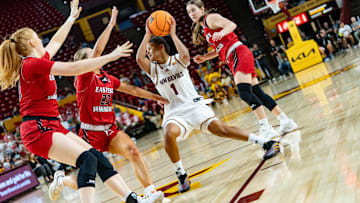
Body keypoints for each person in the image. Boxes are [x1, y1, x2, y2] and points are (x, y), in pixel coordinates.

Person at [0, 1, 161, 203]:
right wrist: (109, 57)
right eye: (38, 39)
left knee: (98, 159)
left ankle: (133, 200)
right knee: (88, 160)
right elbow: (73, 69)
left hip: (51, 125)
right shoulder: (31, 65)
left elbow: (56, 42)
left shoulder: (37, 62)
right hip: (38, 129)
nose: (42, 41)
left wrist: (71, 18)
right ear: (32, 43)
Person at [136, 14, 280, 193]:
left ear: (161, 47)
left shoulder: (177, 60)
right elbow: (139, 59)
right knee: (168, 134)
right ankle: (181, 174)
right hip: (174, 112)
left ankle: (265, 142)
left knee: (221, 130)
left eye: (150, 49)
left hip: (194, 106)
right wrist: (147, 34)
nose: (148, 53)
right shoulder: (153, 69)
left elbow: (185, 54)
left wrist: (173, 35)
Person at [48, 7, 167, 203]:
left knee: (132, 151)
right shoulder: (83, 77)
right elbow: (98, 52)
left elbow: (133, 91)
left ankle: (151, 192)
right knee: (89, 180)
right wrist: (111, 25)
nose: (96, 58)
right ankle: (62, 180)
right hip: (90, 133)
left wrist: (157, 97)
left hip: (110, 130)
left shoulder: (106, 78)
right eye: (91, 56)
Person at [186, 0, 297, 138]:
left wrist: (223, 32)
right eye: (189, 12)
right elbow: (219, 49)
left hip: (238, 53)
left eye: (193, 10)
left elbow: (231, 25)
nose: (191, 14)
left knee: (244, 93)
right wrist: (205, 57)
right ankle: (285, 121)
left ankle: (266, 127)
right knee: (258, 93)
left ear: (202, 10)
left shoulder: (210, 18)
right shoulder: (205, 28)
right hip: (232, 58)